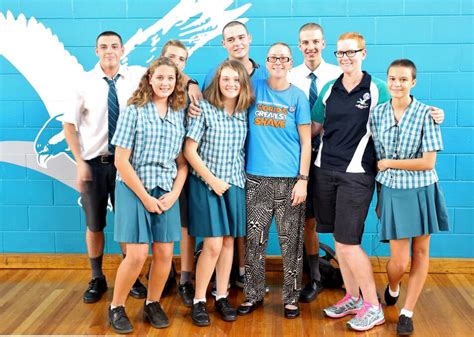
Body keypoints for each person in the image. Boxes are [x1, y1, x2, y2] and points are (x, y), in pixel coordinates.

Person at [311, 32, 444, 332]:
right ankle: (352, 296)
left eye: (351, 52)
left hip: (357, 174)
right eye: (340, 53)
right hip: (324, 170)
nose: (346, 58)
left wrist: (435, 114)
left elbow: (405, 103)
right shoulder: (329, 89)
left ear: (363, 53)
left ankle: (373, 306)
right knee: (337, 240)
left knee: (348, 243)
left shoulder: (378, 88)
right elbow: (315, 126)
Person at [62, 31, 147, 304]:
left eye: (114, 46)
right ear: (96, 50)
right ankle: (97, 277)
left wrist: (191, 84)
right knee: (95, 224)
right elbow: (69, 126)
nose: (109, 51)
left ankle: (130, 275)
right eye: (103, 46)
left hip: (127, 165)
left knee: (126, 225)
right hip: (94, 165)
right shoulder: (83, 83)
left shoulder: (136, 79)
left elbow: (171, 75)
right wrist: (79, 164)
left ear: (122, 50)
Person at [108, 57, 188, 333]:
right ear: (149, 79)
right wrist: (144, 197)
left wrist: (174, 193)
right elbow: (121, 159)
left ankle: (153, 302)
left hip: (165, 189)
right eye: (160, 77)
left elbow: (182, 163)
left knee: (165, 252)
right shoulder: (134, 110)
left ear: (176, 82)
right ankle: (116, 306)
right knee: (137, 254)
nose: (165, 83)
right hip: (134, 186)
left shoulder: (179, 112)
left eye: (170, 78)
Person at [370, 59, 449, 336]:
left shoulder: (427, 114)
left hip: (423, 189)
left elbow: (428, 163)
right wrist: (380, 196)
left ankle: (407, 312)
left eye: (403, 79)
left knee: (420, 252)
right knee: (399, 262)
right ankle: (393, 288)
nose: (397, 84)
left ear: (413, 82)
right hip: (392, 191)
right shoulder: (377, 114)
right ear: (387, 80)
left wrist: (391, 163)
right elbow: (375, 158)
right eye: (392, 79)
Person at [237, 42, 311, 319]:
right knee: (254, 242)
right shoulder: (254, 88)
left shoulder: (298, 97)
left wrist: (302, 180)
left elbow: (306, 142)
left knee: (291, 243)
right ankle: (253, 294)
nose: (278, 62)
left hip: (290, 180)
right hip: (256, 179)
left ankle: (291, 298)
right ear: (266, 62)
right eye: (273, 58)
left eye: (284, 58)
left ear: (291, 63)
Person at [195, 20, 268, 291]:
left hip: (252, 160)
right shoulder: (215, 76)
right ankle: (206, 284)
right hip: (218, 165)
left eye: (241, 37)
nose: (237, 42)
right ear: (223, 43)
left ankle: (241, 273)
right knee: (219, 235)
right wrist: (191, 84)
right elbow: (203, 108)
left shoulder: (264, 76)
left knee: (242, 226)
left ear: (249, 39)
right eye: (230, 39)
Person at [184, 60, 255, 326]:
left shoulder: (243, 112)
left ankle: (222, 295)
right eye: (226, 79)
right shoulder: (203, 109)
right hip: (207, 183)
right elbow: (189, 150)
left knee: (227, 243)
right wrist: (212, 180)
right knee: (212, 244)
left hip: (234, 182)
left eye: (236, 80)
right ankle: (199, 300)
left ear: (242, 84)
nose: (231, 84)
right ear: (217, 80)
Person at [288, 22, 342, 303]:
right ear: (299, 46)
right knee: (306, 221)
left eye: (315, 42)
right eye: (305, 42)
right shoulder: (291, 75)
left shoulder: (339, 74)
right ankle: (315, 278)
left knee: (337, 220)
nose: (310, 47)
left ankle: (347, 272)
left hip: (333, 157)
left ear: (324, 43)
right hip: (299, 156)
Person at [160, 39, 196, 306]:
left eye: (181, 59)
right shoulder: (152, 88)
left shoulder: (190, 90)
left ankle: (185, 278)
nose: (175, 61)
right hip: (156, 167)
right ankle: (162, 273)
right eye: (171, 57)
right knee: (159, 222)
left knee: (184, 224)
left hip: (183, 165)